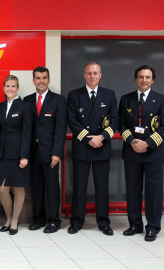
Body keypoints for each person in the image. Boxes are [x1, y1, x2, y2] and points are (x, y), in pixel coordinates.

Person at [118, 65, 164, 242]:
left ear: (153, 80)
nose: (144, 80)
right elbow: (121, 124)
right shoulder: (126, 99)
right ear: (136, 79)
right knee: (132, 189)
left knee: (153, 192)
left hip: (153, 153)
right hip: (132, 151)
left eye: (147, 77)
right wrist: (133, 141)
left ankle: (153, 227)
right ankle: (134, 224)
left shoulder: (162, 100)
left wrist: (147, 144)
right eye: (141, 77)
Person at [67, 62, 118, 236]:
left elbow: (114, 120)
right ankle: (76, 221)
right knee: (79, 187)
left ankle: (104, 222)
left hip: (101, 147)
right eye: (89, 73)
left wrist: (101, 137)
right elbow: (72, 120)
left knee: (102, 188)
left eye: (95, 73)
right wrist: (88, 139)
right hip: (83, 146)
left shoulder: (109, 95)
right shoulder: (74, 95)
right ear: (84, 75)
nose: (92, 76)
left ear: (100, 75)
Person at [23, 66, 67, 234]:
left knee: (52, 188)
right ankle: (39, 219)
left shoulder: (58, 100)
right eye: (38, 78)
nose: (41, 81)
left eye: (44, 78)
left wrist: (57, 153)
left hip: (50, 153)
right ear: (33, 80)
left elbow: (60, 129)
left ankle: (54, 221)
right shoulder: (26, 101)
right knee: (36, 187)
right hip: (32, 153)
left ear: (48, 80)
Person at [0, 75, 32, 235]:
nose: (10, 89)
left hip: (18, 155)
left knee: (18, 188)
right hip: (2, 154)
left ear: (17, 88)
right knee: (2, 188)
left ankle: (15, 221)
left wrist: (24, 155)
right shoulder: (0, 107)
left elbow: (27, 133)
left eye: (13, 86)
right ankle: (8, 218)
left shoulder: (25, 107)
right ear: (3, 88)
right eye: (7, 86)